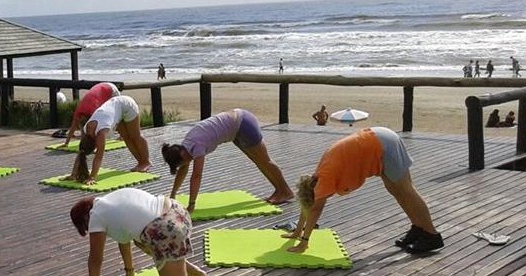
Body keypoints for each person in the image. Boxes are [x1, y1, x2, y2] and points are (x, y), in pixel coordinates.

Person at [284, 127, 443, 254]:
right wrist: (297, 232)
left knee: (406, 190)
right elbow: (308, 206)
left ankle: (431, 234)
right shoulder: (315, 180)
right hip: (377, 140)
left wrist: (304, 243)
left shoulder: (324, 178)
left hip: (384, 144)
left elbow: (314, 209)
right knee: (395, 190)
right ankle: (418, 228)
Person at [161, 109, 294, 207]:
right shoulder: (185, 147)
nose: (184, 165)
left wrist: (191, 204)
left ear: (182, 155)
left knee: (265, 161)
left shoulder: (197, 145)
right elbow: (183, 168)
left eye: (181, 163)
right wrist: (173, 193)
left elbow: (196, 175)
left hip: (243, 124)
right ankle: (279, 190)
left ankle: (286, 191)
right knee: (259, 162)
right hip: (235, 129)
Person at [69, 188, 206, 276]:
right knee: (141, 241)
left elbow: (95, 259)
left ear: (86, 218)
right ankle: (194, 272)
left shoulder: (95, 215)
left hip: (164, 230)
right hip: (178, 211)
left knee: (151, 240)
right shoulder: (111, 202)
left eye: (86, 227)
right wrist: (130, 272)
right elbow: (124, 242)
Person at [67, 95, 152, 184]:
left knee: (135, 135)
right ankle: (140, 163)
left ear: (95, 143)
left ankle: (146, 162)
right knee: (126, 138)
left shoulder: (101, 132)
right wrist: (73, 174)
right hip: (116, 109)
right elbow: (81, 152)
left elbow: (99, 157)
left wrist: (92, 177)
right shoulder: (86, 130)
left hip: (126, 104)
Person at [60, 82, 120, 148]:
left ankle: (121, 136)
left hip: (111, 89)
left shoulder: (95, 111)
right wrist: (66, 143)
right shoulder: (78, 113)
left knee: (118, 112)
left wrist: (97, 146)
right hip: (99, 90)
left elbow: (99, 128)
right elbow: (73, 127)